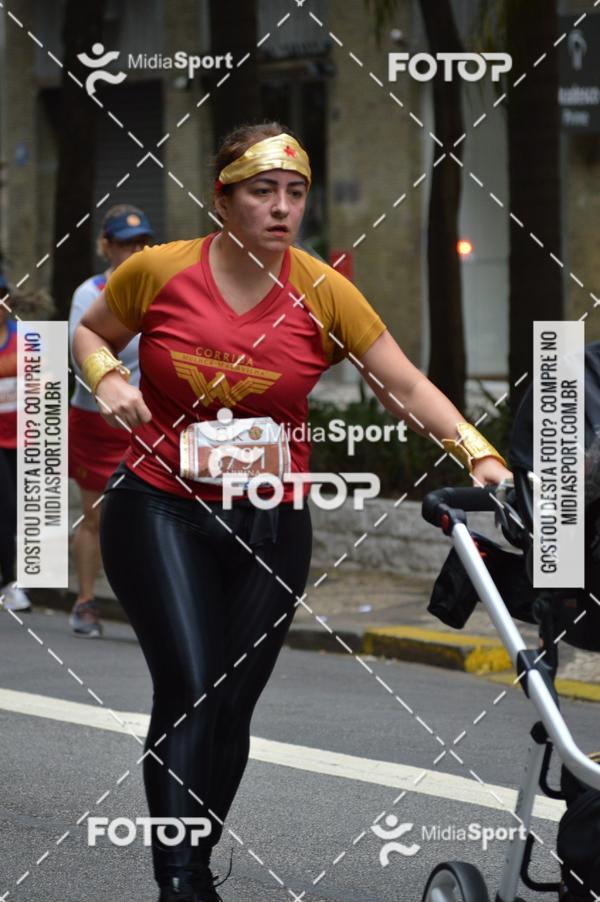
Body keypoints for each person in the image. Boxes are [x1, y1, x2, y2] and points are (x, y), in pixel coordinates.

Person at [73, 122, 511, 902]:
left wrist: (479, 452)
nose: (281, 208)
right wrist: (106, 376)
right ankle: (179, 884)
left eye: (295, 192)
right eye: (261, 190)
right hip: (161, 504)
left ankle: (196, 864)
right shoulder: (158, 271)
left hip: (271, 518)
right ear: (223, 198)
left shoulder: (322, 288)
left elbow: (405, 385)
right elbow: (88, 334)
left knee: (231, 702)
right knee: (195, 684)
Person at [68, 205, 153, 637]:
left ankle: (146, 608)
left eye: (141, 243)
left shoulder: (158, 286)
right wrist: (113, 385)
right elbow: (82, 352)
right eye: (124, 243)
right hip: (95, 419)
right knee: (96, 516)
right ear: (106, 246)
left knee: (146, 518)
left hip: (143, 421)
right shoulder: (90, 293)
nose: (135, 251)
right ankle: (85, 602)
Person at [0, 282, 55, 612]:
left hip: (23, 439)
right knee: (6, 510)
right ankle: (11, 582)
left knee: (21, 510)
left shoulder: (26, 341)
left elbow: (44, 388)